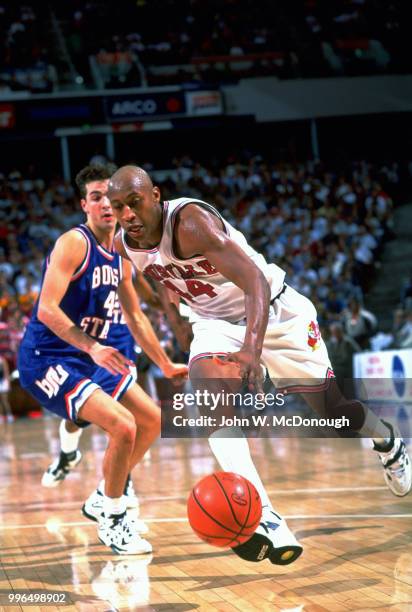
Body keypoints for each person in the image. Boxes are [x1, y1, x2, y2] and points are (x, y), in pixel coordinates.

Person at [107, 164, 411, 565]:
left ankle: (386, 440)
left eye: (134, 202)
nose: (127, 214)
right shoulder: (124, 243)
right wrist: (178, 320)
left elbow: (255, 279)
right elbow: (162, 277)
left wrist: (252, 347)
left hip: (275, 311)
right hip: (216, 324)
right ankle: (264, 515)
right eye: (118, 207)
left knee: (333, 411)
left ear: (156, 196)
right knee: (210, 399)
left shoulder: (190, 223)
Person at [18, 164, 188, 555]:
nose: (105, 205)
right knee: (123, 426)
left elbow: (134, 314)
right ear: (85, 205)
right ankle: (112, 519)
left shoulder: (122, 250)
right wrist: (91, 346)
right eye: (95, 198)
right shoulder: (73, 243)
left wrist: (164, 364)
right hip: (48, 357)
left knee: (151, 421)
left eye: (109, 198)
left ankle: (101, 497)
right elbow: (46, 309)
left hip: (89, 355)